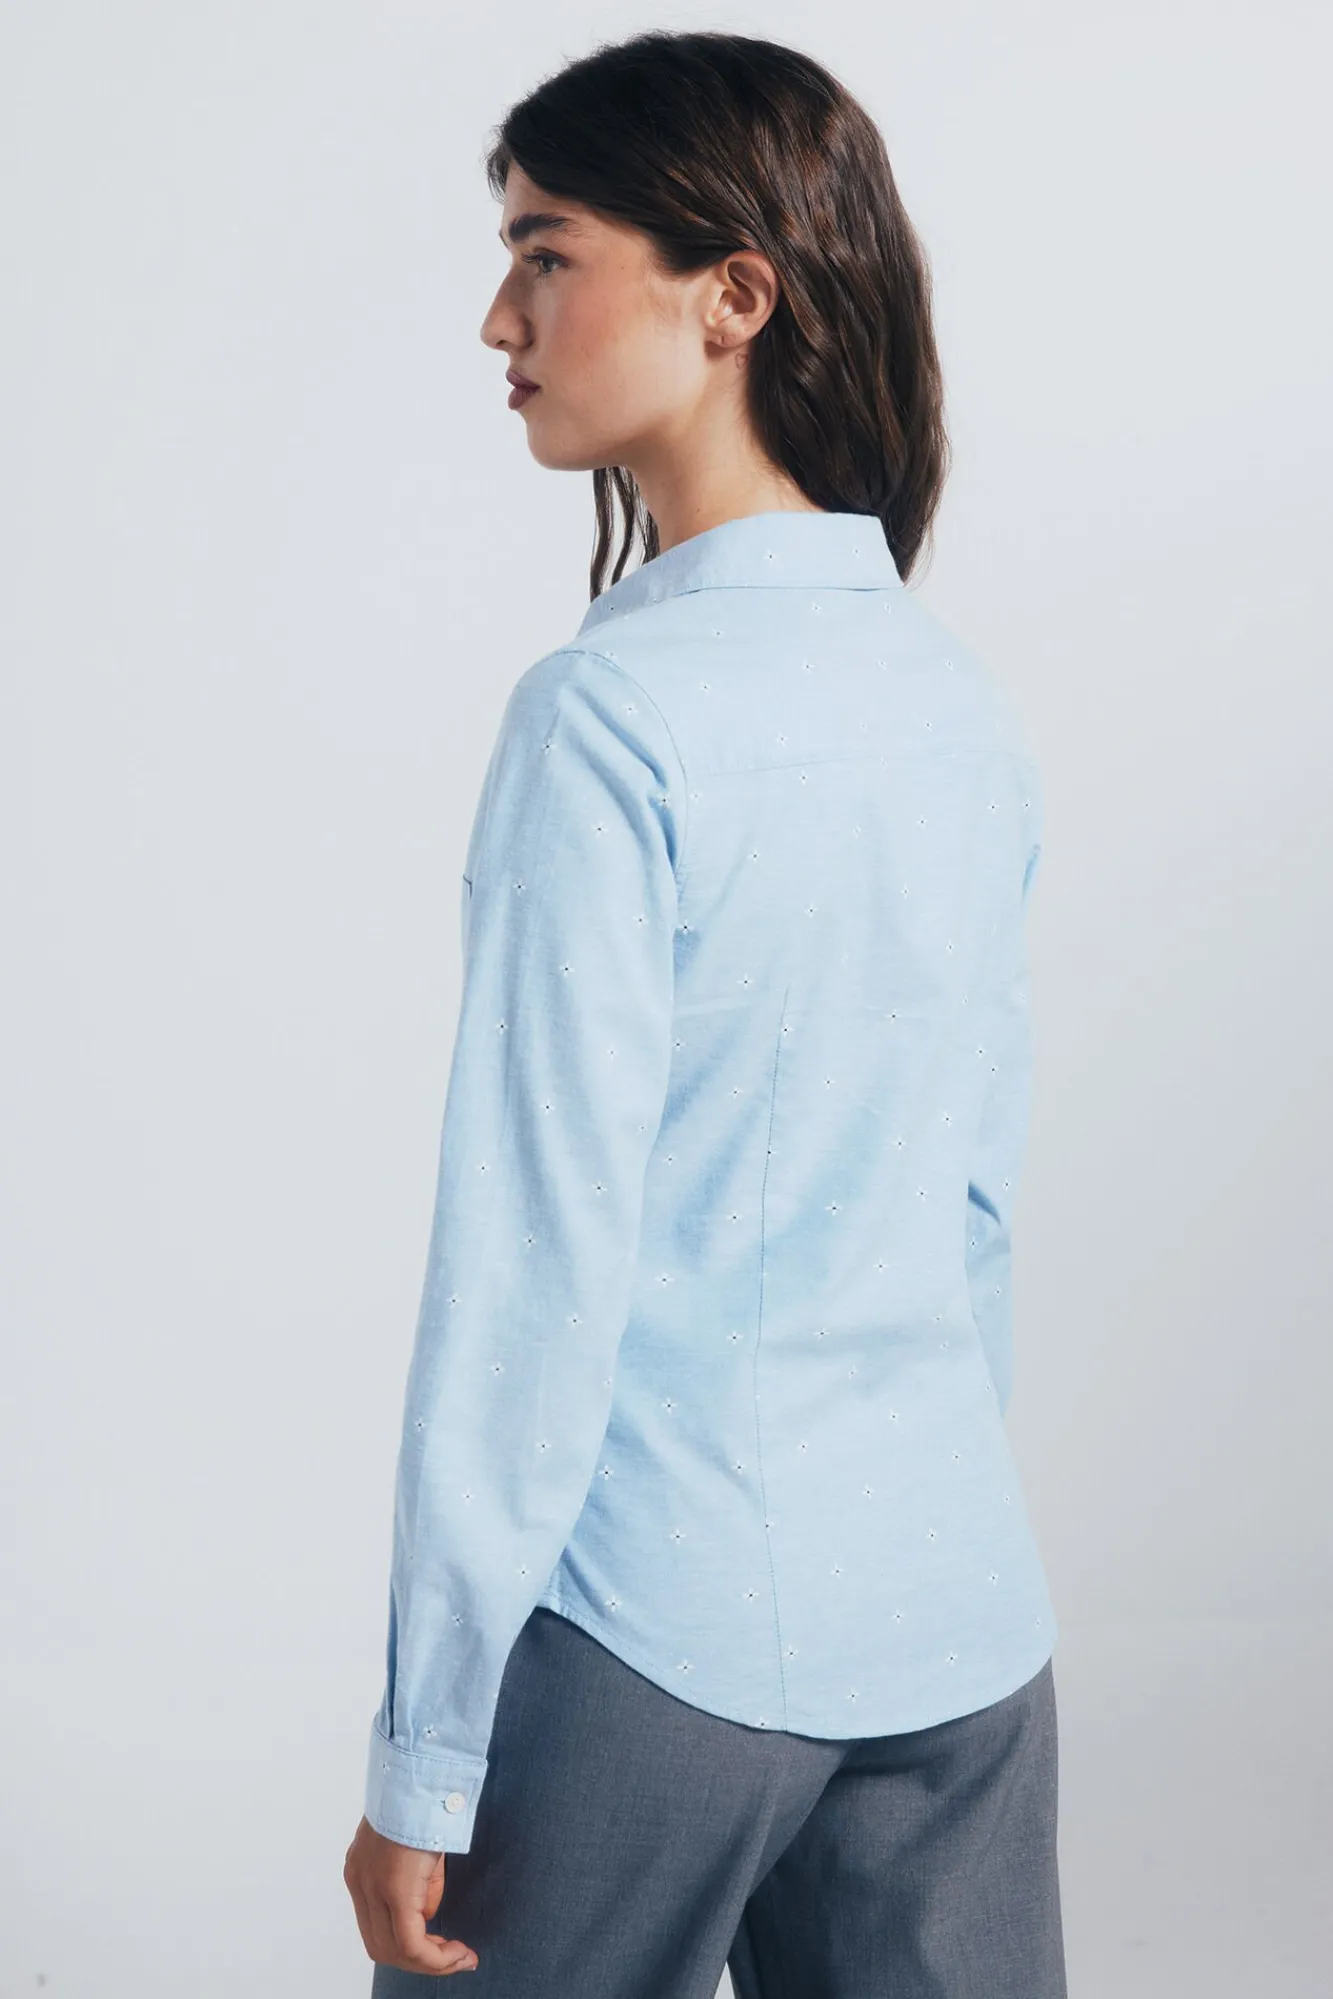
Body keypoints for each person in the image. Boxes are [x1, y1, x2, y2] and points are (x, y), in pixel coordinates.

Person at [343, 27, 1067, 1998]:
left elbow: (531, 1272)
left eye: (547, 253)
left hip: (657, 1643)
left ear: (735, 293)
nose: (500, 318)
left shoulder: (608, 721)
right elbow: (972, 1216)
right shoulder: (957, 707)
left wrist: (426, 1750)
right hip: (959, 1631)